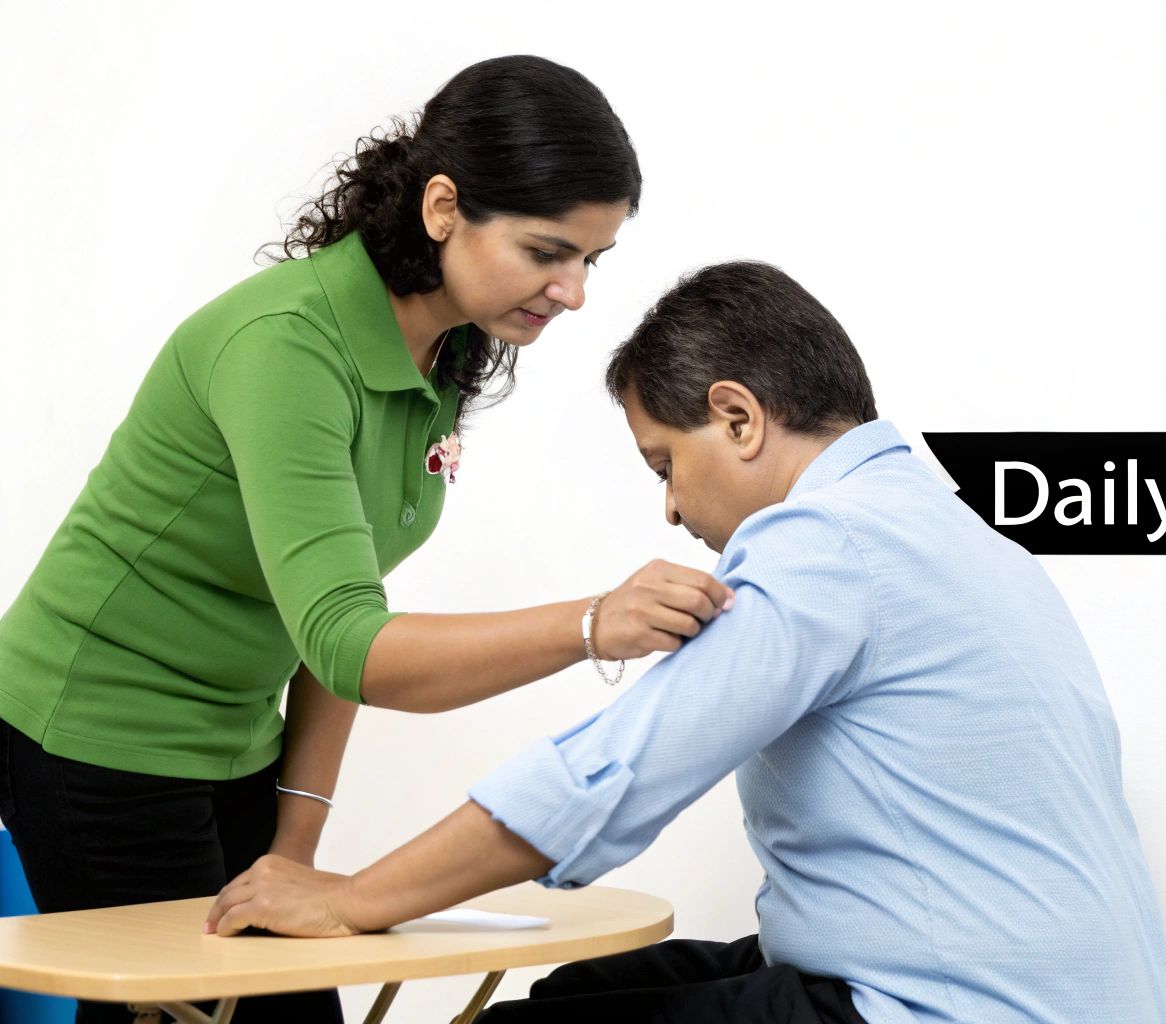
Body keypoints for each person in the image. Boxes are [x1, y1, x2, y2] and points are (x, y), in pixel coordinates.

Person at [205, 261, 1166, 1023]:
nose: (669, 506)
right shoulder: (946, 527)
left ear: (739, 417)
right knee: (584, 998)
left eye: (666, 463)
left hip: (943, 1007)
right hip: (1032, 990)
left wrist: (355, 899)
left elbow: (613, 772)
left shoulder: (824, 544)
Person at [0, 55, 732, 1024]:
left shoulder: (447, 347)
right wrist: (593, 622)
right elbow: (352, 640)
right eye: (547, 251)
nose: (573, 292)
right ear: (441, 208)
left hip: (234, 745)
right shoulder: (287, 346)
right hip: (95, 736)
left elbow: (343, 615)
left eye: (590, 260)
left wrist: (294, 844)